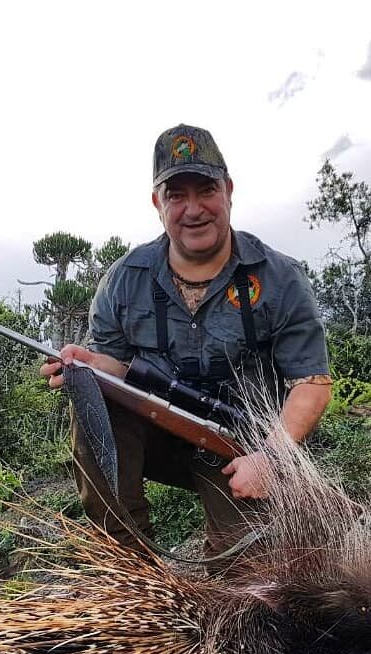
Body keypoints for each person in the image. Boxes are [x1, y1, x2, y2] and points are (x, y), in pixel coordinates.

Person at [42, 123, 332, 558]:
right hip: (157, 435)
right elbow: (117, 370)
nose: (193, 209)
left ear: (229, 191)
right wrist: (91, 366)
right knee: (91, 395)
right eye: (177, 195)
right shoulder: (124, 280)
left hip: (242, 448)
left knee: (250, 578)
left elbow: (311, 382)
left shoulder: (279, 277)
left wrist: (271, 461)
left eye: (206, 190)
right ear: (158, 203)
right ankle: (131, 563)